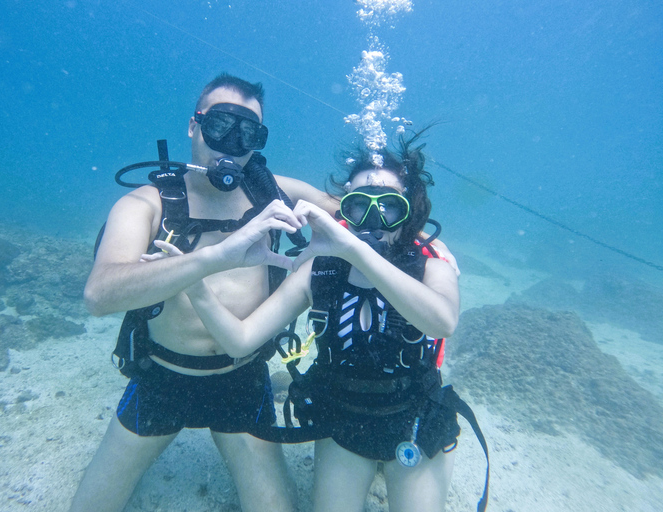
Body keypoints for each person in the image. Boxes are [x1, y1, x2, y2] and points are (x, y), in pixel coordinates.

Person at [70, 73, 337, 512]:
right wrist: (216, 257)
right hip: (160, 377)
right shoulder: (148, 203)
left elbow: (362, 211)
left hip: (244, 377)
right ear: (193, 126)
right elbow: (99, 294)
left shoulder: (274, 192)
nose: (232, 142)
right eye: (219, 126)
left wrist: (426, 241)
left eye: (248, 132)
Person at [169, 132, 462, 512]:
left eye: (389, 207)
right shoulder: (318, 273)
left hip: (415, 420)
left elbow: (441, 322)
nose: (373, 220)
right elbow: (240, 341)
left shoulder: (432, 268)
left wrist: (352, 247)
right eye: (359, 207)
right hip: (343, 423)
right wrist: (198, 290)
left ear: (410, 211)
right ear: (345, 212)